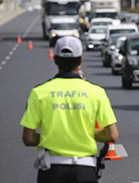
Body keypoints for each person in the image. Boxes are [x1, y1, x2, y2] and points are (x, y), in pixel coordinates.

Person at [20, 36, 118, 183]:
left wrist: (52, 136)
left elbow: (28, 138)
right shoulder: (96, 92)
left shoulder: (39, 92)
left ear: (55, 59)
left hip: (51, 170)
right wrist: (84, 133)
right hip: (85, 171)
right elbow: (112, 135)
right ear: (80, 60)